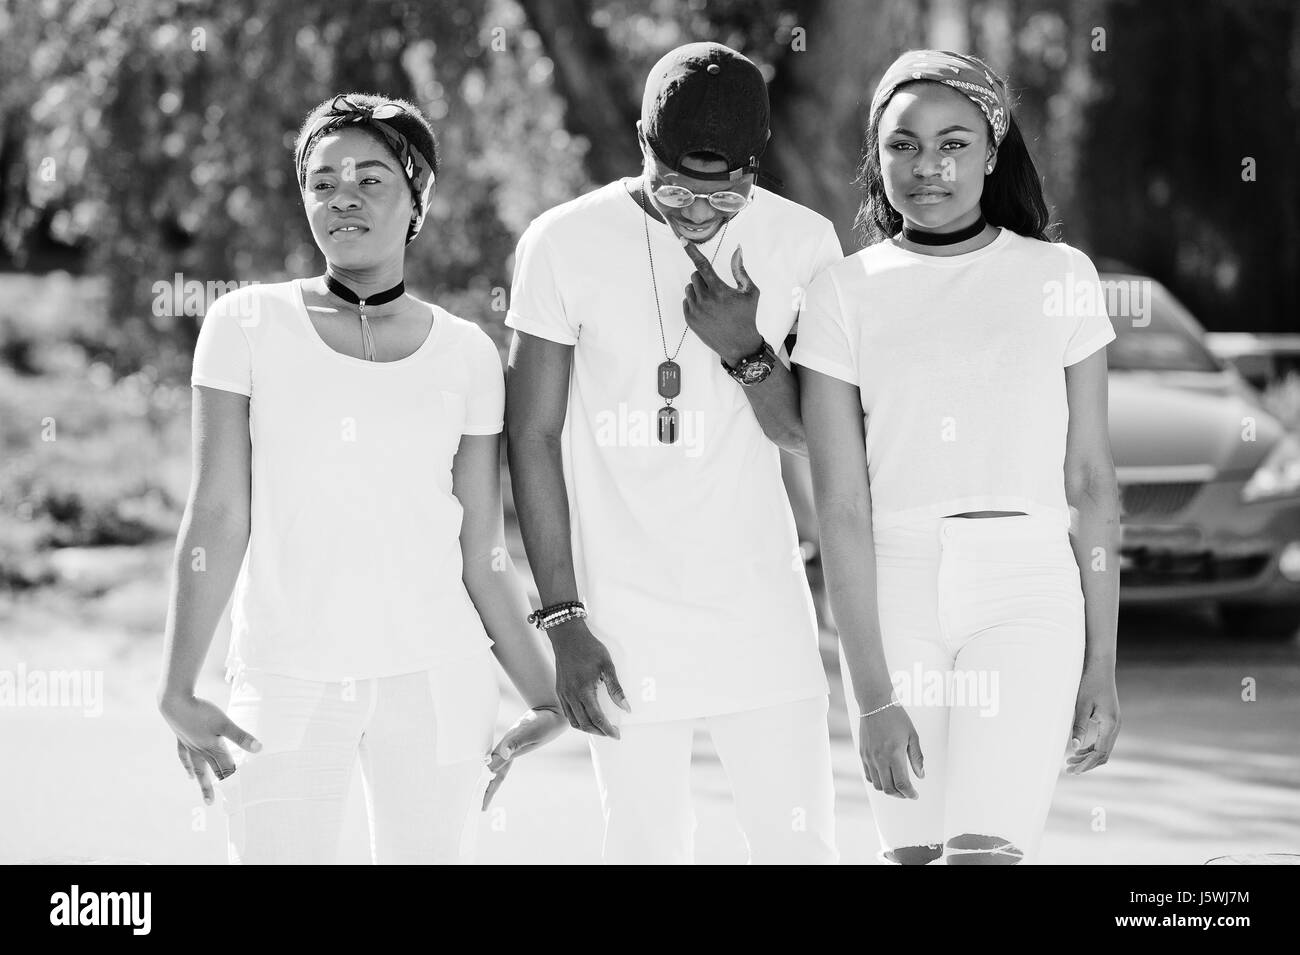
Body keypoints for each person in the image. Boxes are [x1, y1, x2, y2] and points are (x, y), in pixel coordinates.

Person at [157, 93, 564, 865]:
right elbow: (216, 515)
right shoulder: (244, 325)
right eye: (322, 179)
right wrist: (178, 685)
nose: (343, 193)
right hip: (285, 676)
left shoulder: (469, 353)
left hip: (439, 683)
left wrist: (544, 690)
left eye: (371, 177)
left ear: (419, 198)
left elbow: (482, 552)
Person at [504, 42, 843, 864]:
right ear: (640, 144)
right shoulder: (561, 243)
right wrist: (563, 616)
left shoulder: (804, 244)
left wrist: (747, 349)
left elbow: (811, 433)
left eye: (724, 190)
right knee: (644, 848)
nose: (697, 210)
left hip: (760, 610)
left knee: (798, 846)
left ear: (754, 167)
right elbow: (532, 435)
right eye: (676, 188)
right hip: (617, 618)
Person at [793, 50, 1122, 864]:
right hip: (894, 589)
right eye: (902, 145)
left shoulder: (1060, 277)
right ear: (877, 157)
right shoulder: (843, 290)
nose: (928, 167)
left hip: (1028, 590)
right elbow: (840, 507)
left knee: (983, 855)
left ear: (992, 150)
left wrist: (1104, 665)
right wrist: (871, 698)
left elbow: (1090, 481)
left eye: (954, 143)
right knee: (915, 857)